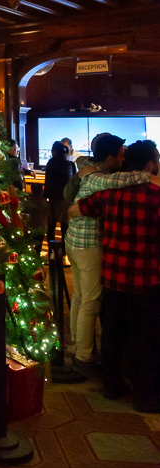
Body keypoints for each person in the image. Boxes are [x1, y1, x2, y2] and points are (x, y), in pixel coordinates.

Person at [76, 139, 160, 412]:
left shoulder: (110, 193)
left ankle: (112, 386)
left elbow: (79, 208)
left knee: (112, 332)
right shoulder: (156, 197)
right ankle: (145, 396)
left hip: (112, 275)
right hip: (146, 280)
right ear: (149, 165)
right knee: (145, 337)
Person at [43, 140, 76, 244]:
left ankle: (52, 253)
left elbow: (48, 182)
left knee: (51, 227)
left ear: (54, 151)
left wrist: (45, 198)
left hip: (54, 200)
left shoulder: (52, 163)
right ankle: (64, 253)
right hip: (67, 200)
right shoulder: (71, 164)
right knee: (65, 228)